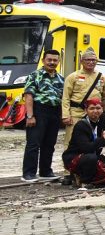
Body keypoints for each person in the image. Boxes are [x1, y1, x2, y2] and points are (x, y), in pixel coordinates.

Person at [60, 47, 105, 182]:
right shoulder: (73, 76)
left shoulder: (102, 78)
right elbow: (66, 97)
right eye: (88, 60)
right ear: (82, 61)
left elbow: (104, 97)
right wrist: (66, 115)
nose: (91, 62)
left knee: (91, 141)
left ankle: (88, 168)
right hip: (76, 113)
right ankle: (68, 171)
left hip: (94, 115)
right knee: (71, 142)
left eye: (93, 60)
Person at [21, 48, 65, 182]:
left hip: (55, 112)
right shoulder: (35, 75)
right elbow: (29, 96)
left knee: (49, 144)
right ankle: (28, 173)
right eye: (49, 60)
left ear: (58, 61)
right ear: (43, 60)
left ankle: (46, 171)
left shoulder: (61, 79)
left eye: (55, 60)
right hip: (39, 111)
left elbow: (63, 98)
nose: (52, 62)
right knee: (33, 143)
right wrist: (30, 116)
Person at [61, 98, 105, 189]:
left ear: (102, 109)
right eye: (91, 108)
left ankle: (89, 179)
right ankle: (84, 181)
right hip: (76, 157)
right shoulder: (81, 125)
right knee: (91, 157)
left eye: (98, 108)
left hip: (93, 156)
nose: (95, 111)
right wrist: (103, 138)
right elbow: (87, 148)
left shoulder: (104, 118)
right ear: (85, 110)